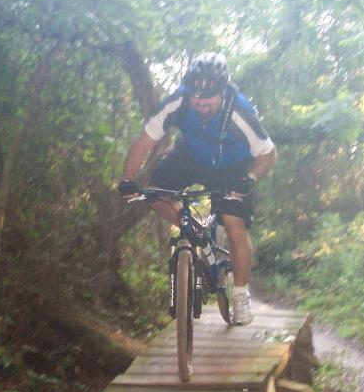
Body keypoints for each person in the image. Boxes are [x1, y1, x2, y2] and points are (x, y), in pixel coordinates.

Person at [118, 52, 276, 325]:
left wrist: (248, 179)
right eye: (196, 100)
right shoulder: (178, 101)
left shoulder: (239, 110)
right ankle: (195, 227)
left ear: (223, 91)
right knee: (155, 192)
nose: (200, 105)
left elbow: (268, 154)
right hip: (190, 155)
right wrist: (127, 179)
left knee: (234, 223)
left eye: (207, 101)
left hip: (233, 166)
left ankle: (240, 295)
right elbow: (144, 141)